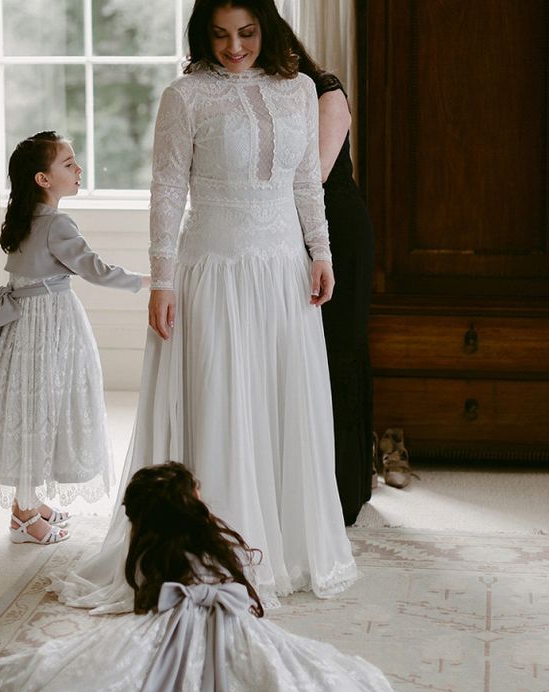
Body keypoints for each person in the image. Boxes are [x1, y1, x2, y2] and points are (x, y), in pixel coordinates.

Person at [50, 0, 357, 609]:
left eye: (246, 33)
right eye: (220, 36)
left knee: (280, 401)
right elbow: (166, 189)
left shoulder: (299, 89)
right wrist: (162, 280)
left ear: (266, 29)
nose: (234, 47)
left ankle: (288, 546)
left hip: (281, 271)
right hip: (212, 269)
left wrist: (319, 252)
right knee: (222, 399)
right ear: (202, 36)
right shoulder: (185, 96)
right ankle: (214, 549)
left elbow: (304, 182)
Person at [0, 462, 396, 692]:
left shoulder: (148, 551)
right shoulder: (214, 547)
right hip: (234, 627)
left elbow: (148, 592)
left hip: (162, 627)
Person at [0, 131, 148, 545]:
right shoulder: (57, 223)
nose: (78, 169)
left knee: (33, 405)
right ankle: (24, 515)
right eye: (68, 164)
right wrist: (145, 281)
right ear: (42, 179)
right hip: (47, 324)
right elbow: (94, 268)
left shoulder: (27, 217)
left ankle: (29, 500)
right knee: (45, 404)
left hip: (23, 325)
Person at [287, 32, 379, 523]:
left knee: (338, 350)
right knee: (304, 354)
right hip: (289, 232)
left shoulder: (327, 93)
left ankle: (344, 490)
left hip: (337, 229)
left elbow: (313, 175)